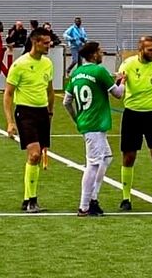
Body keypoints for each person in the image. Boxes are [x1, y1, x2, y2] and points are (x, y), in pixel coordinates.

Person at [63, 41, 126, 216]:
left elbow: (66, 101)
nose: (102, 53)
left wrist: (77, 118)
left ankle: (93, 198)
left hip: (87, 122)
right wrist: (123, 81)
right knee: (93, 163)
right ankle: (84, 206)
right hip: (95, 123)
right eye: (99, 51)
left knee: (106, 157)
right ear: (92, 55)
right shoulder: (99, 71)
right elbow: (118, 94)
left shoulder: (76, 73)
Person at [117, 35, 152, 212]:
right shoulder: (128, 64)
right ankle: (126, 198)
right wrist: (120, 81)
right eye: (150, 50)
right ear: (140, 49)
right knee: (129, 156)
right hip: (132, 115)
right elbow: (118, 83)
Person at [2, 27, 54, 213]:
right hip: (25, 113)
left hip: (42, 113)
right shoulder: (20, 64)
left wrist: (50, 113)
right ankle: (32, 200)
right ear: (36, 42)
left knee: (37, 156)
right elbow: (8, 94)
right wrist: (10, 122)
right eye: (46, 43)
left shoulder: (48, 63)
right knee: (34, 154)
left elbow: (49, 90)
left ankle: (27, 198)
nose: (50, 45)